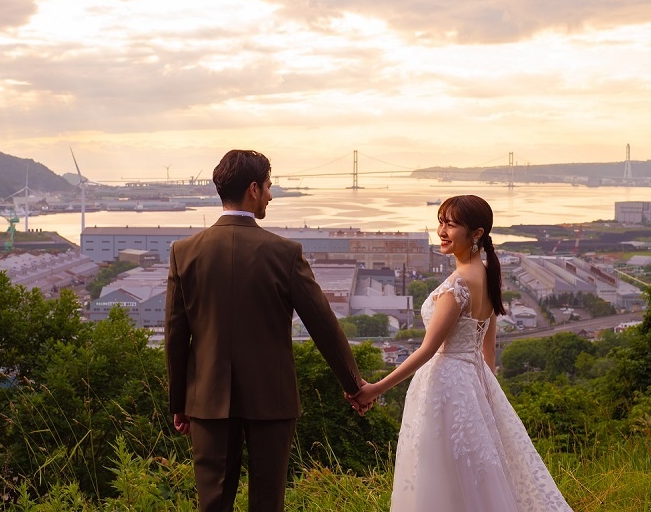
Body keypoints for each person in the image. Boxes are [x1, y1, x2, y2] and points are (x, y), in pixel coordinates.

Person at [165, 149, 369, 512]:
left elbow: (176, 336)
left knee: (212, 503)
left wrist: (179, 402)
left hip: (206, 398)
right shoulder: (284, 253)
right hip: (271, 399)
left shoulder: (185, 251)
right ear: (254, 189)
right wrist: (355, 386)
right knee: (267, 501)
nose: (272, 196)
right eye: (271, 187)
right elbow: (323, 326)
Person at [353, 195, 573, 511]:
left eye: (451, 224)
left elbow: (429, 349)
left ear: (477, 233)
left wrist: (375, 388)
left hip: (444, 385)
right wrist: (484, 395)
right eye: (441, 222)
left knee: (441, 474)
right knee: (474, 474)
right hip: (471, 380)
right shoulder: (487, 274)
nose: (442, 231)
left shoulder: (458, 285)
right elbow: (488, 352)